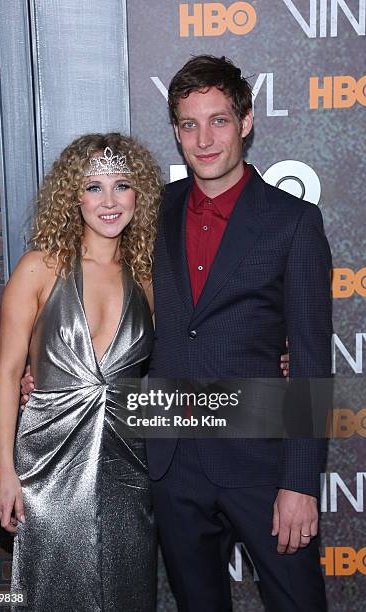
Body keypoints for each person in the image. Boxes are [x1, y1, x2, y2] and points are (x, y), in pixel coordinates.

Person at [144, 55, 332, 611]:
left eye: (218, 120)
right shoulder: (153, 210)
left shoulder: (293, 221)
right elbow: (106, 303)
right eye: (189, 124)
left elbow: (311, 358)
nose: (203, 139)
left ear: (246, 121)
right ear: (176, 130)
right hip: (172, 460)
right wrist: (47, 368)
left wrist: (301, 482)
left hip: (263, 463)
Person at [0, 133, 162, 612]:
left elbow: (186, 354)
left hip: (129, 468)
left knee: (128, 593)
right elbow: (7, 375)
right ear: (73, 196)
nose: (108, 201)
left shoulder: (148, 278)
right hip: (48, 466)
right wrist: (4, 470)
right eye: (93, 187)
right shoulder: (39, 268)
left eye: (121, 185)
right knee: (52, 594)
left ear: (138, 195)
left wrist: (279, 354)